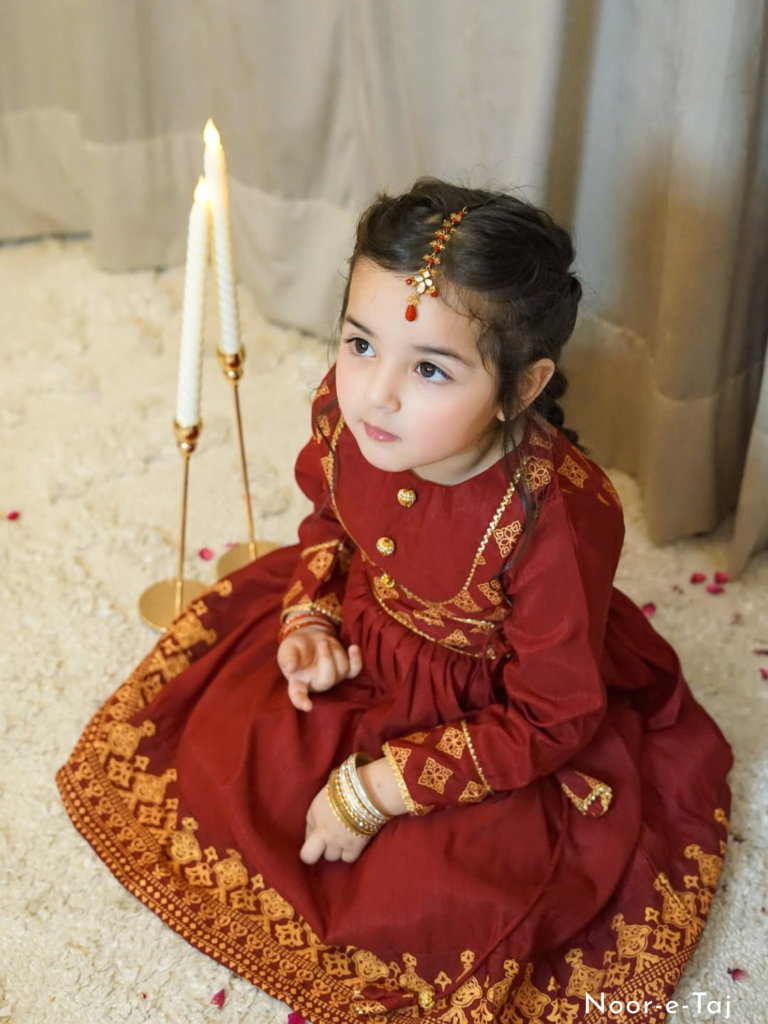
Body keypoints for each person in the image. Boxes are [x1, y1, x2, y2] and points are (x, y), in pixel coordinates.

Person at [58, 178, 733, 1024]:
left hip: (496, 706)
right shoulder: (350, 415)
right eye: (360, 343)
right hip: (367, 633)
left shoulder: (553, 521)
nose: (375, 393)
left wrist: (379, 789)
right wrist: (312, 614)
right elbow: (328, 519)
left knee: (441, 904)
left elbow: (554, 715)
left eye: (430, 368)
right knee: (224, 766)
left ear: (523, 386)